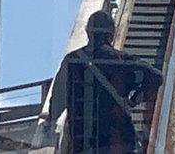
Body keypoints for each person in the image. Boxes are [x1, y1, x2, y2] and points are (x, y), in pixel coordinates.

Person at [48, 11, 162, 153]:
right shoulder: (120, 61)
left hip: (83, 146)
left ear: (88, 32)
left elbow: (56, 104)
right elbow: (156, 77)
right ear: (111, 34)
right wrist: (134, 99)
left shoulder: (72, 61)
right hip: (118, 144)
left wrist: (50, 122)